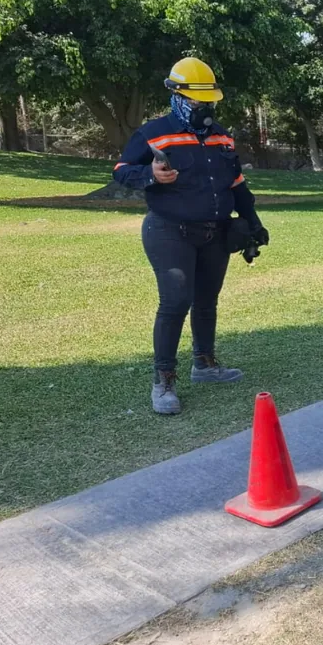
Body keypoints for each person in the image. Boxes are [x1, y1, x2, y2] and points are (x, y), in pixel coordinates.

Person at [113, 57, 268, 415]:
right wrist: (149, 175)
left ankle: (205, 365)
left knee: (206, 300)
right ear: (177, 97)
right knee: (175, 302)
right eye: (196, 101)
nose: (204, 108)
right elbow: (121, 170)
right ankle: (164, 380)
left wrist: (252, 222)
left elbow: (237, 184)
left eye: (208, 101)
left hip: (214, 233)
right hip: (169, 231)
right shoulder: (155, 132)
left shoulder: (221, 137)